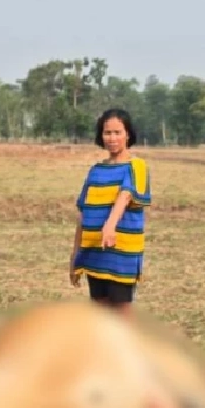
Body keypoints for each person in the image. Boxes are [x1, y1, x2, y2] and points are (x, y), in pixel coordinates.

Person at [69, 108, 151, 315]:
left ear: (128, 134)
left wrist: (110, 226)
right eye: (107, 133)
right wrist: (75, 256)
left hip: (121, 253)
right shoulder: (96, 170)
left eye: (118, 132)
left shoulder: (137, 166)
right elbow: (83, 213)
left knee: (122, 313)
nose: (112, 138)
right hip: (94, 252)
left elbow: (126, 195)